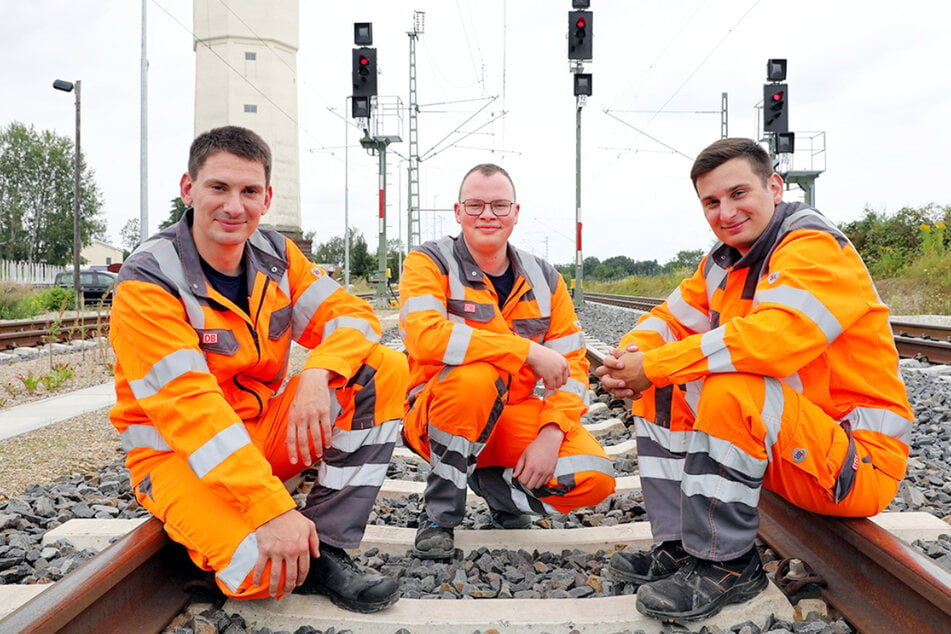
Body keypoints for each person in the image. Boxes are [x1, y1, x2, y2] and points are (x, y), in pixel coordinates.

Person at [596, 138, 913, 622]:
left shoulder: (814, 248)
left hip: (855, 463)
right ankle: (681, 546)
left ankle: (727, 565)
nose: (726, 211)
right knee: (665, 385)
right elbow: (670, 319)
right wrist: (632, 357)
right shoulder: (724, 262)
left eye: (738, 193)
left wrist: (657, 365)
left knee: (729, 380)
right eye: (711, 202)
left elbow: (772, 341)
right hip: (795, 452)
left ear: (775, 186)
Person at [109, 126, 408, 613]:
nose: (234, 206)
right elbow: (192, 410)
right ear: (189, 189)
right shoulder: (150, 280)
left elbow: (355, 317)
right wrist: (271, 508)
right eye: (218, 188)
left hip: (260, 433)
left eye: (249, 192)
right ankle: (240, 529)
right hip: (178, 455)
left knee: (382, 368)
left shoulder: (275, 256)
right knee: (264, 572)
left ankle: (327, 544)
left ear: (266, 198)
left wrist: (318, 371)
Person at [398, 163, 616, 559]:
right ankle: (439, 515)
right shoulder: (428, 262)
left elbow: (575, 366)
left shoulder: (546, 279)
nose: (487, 215)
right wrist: (526, 350)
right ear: (458, 211)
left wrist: (551, 433)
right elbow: (425, 336)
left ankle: (489, 483)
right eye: (475, 204)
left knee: (594, 477)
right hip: (439, 414)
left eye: (499, 206)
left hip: (511, 416)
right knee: (476, 377)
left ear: (515, 213)